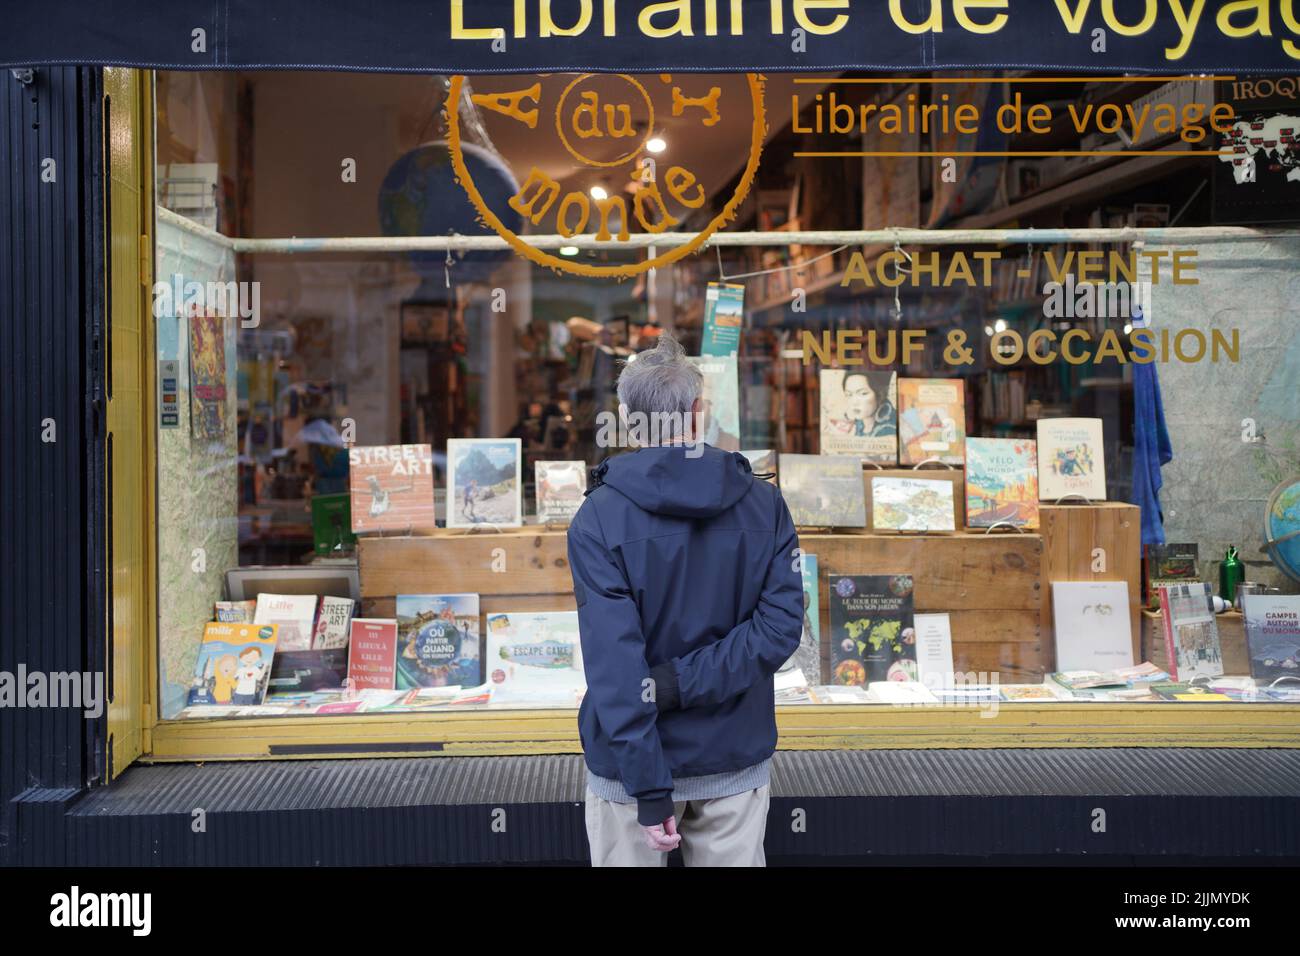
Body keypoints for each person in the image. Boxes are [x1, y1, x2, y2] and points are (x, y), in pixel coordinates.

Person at [567, 333, 803, 867]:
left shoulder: (597, 518)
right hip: (732, 752)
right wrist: (676, 685)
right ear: (699, 413)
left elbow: (616, 664)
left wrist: (650, 788)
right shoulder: (765, 505)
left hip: (629, 769)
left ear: (628, 420)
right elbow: (779, 631)